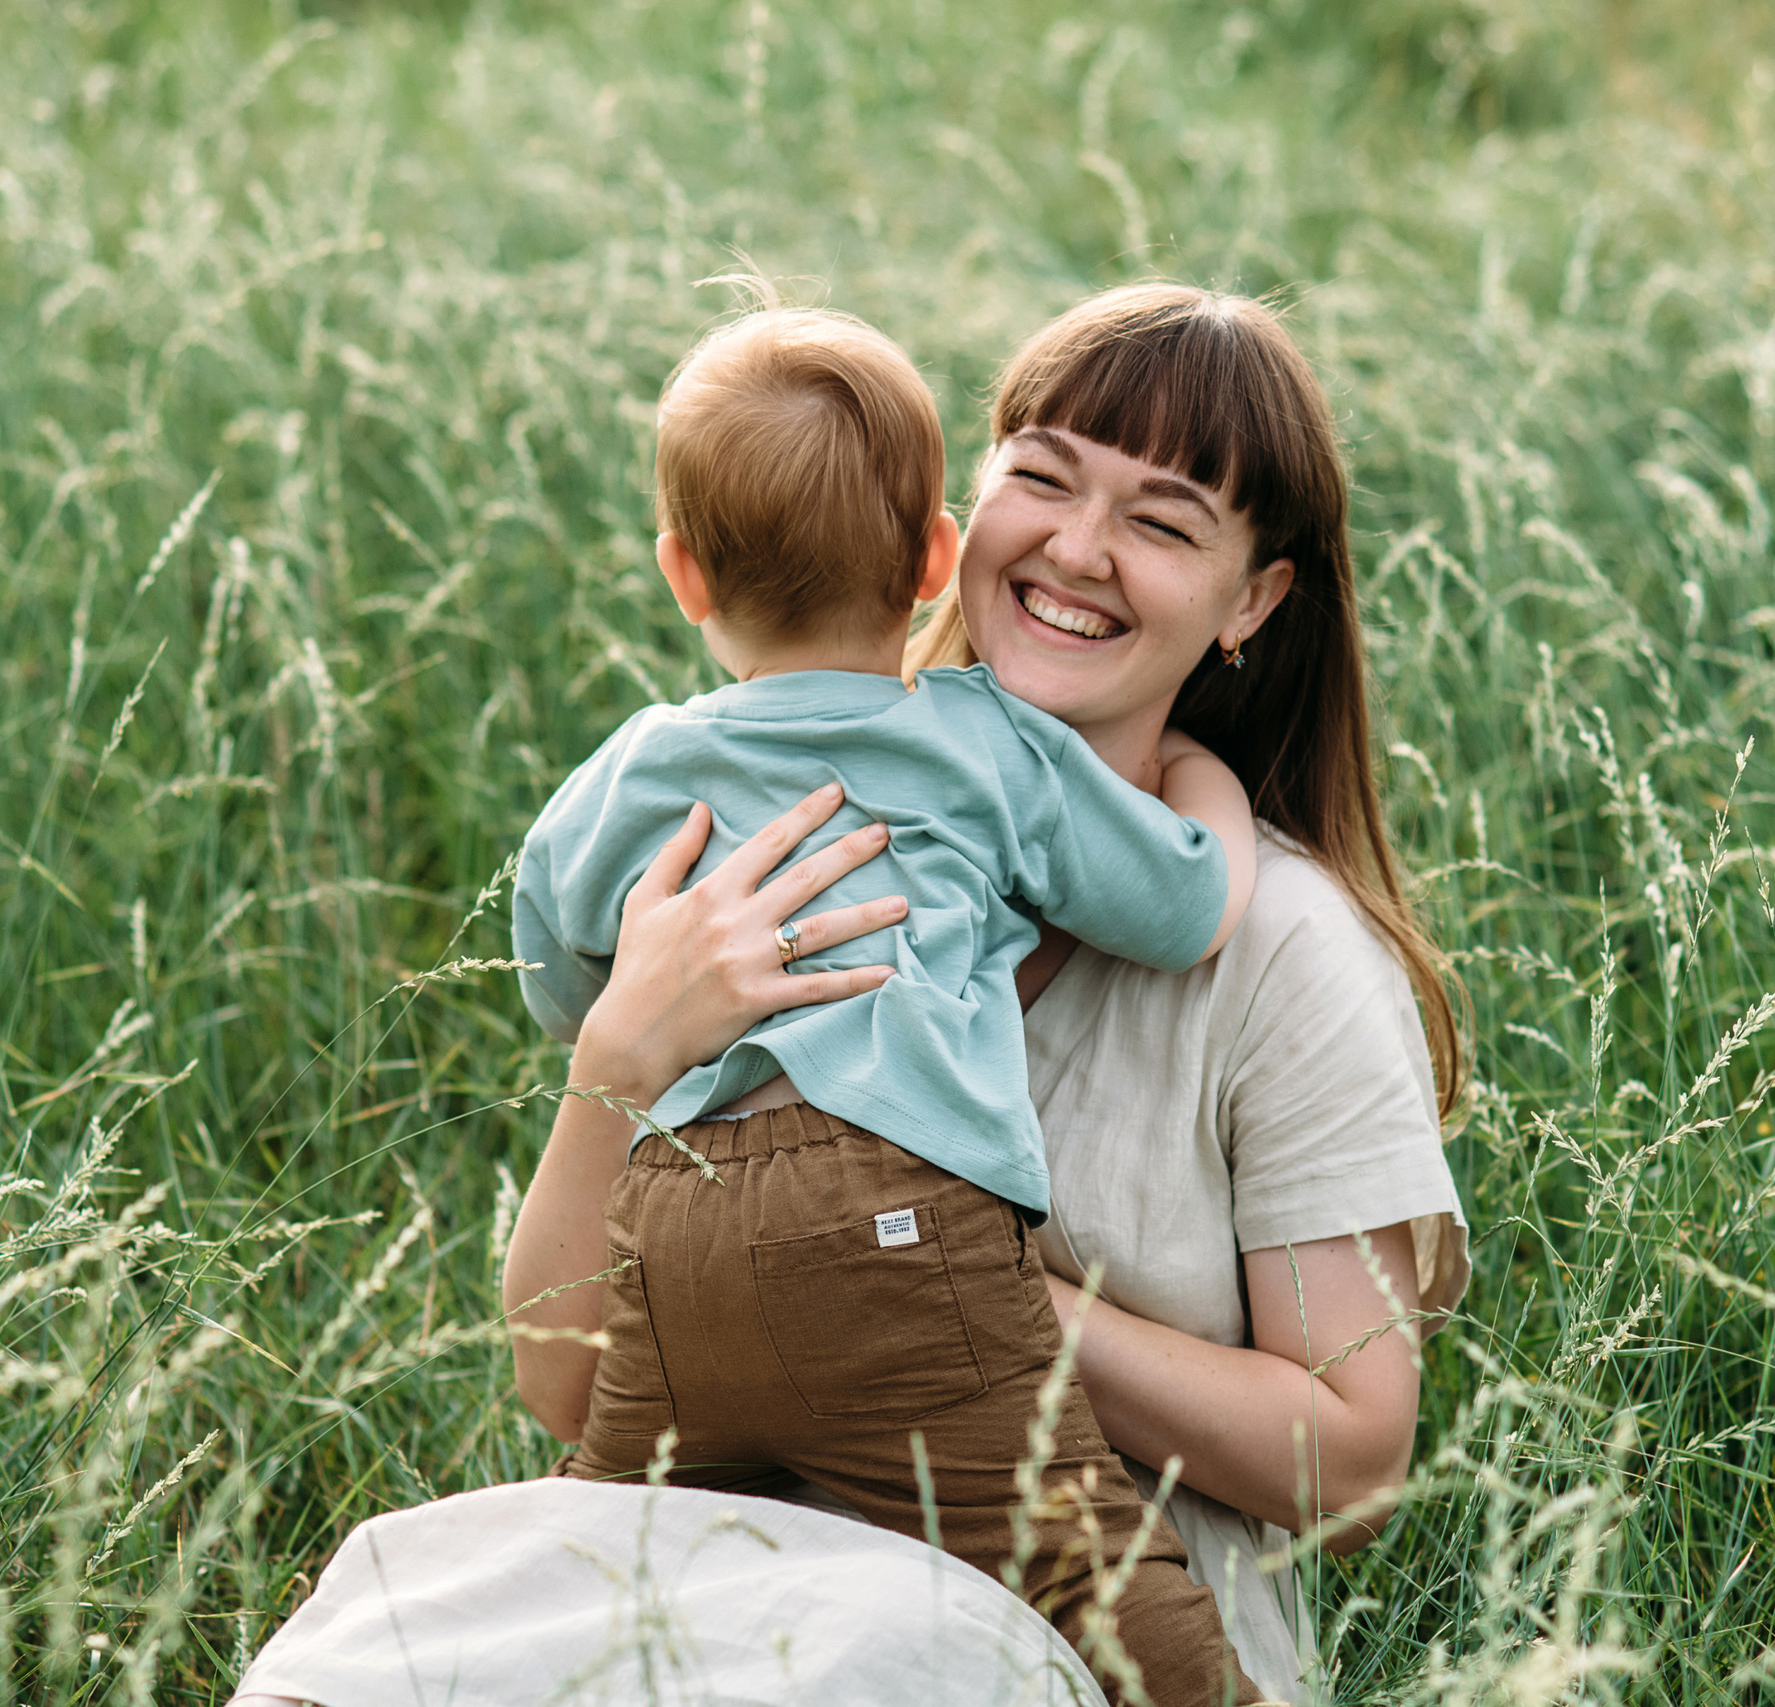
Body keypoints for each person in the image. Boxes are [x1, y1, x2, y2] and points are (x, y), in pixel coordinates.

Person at [504, 283, 1470, 1705]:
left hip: (1066, 1635)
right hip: (748, 1595)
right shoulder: (764, 867)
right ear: (956, 524)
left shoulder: (1296, 959)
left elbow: (1352, 1461)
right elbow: (571, 1386)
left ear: (1252, 598)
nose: (1078, 549)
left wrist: (964, 1300)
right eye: (1046, 477)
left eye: (1161, 520)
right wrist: (620, 1049)